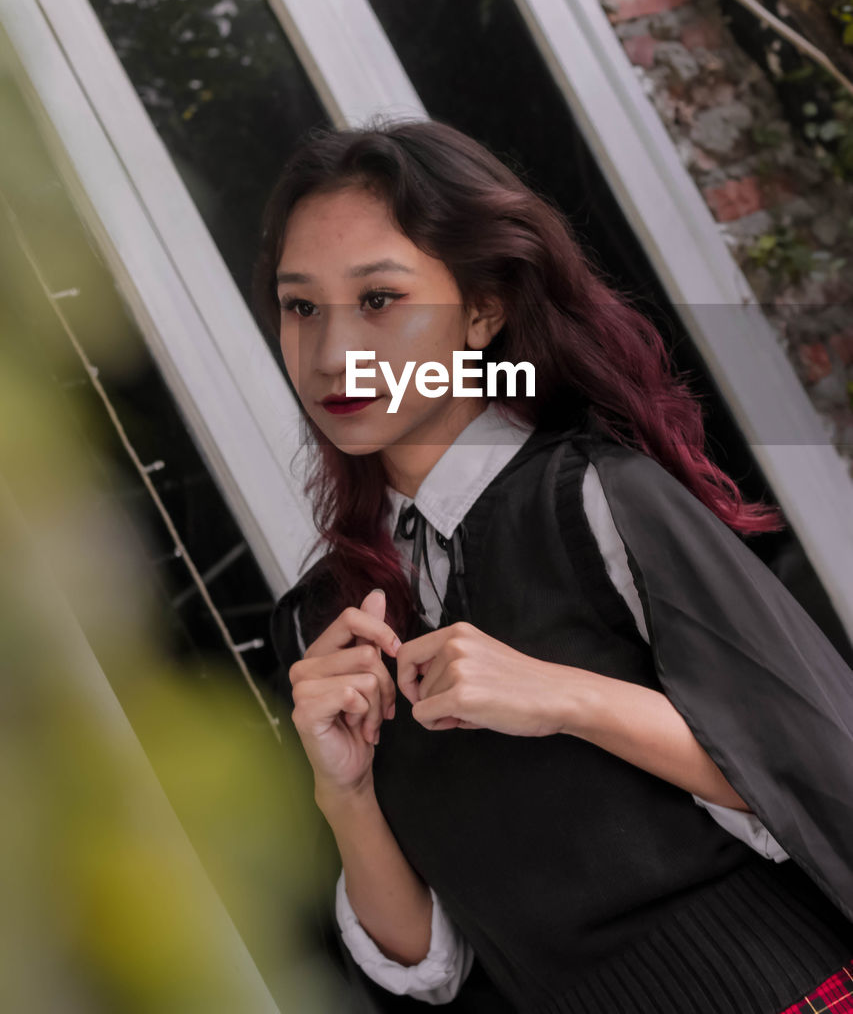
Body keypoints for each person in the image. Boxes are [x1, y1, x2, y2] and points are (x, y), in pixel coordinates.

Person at [254, 118, 853, 1013]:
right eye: (301, 306)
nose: (331, 352)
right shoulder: (324, 622)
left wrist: (564, 697)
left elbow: (812, 763)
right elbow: (439, 966)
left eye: (378, 299)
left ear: (483, 310)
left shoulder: (598, 499)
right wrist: (343, 796)